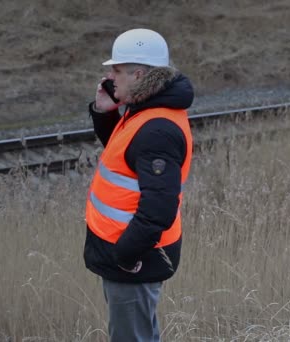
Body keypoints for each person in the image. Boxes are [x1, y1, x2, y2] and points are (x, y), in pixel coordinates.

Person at [84, 28, 194, 342]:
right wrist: (106, 115)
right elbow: (126, 156)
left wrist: (126, 256)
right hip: (128, 252)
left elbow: (159, 206)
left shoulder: (157, 127)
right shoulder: (144, 110)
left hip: (135, 258)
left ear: (139, 73)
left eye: (116, 70)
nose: (109, 76)